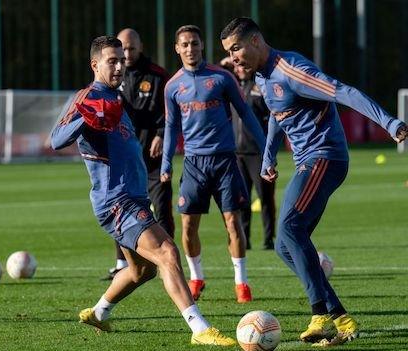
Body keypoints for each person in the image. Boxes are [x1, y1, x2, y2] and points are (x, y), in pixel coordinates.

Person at [220, 17, 408, 346]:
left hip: (326, 157)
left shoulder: (291, 69)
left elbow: (343, 92)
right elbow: (279, 116)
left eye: (236, 48)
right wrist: (269, 155)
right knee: (284, 245)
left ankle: (320, 313)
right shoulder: (263, 77)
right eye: (229, 52)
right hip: (306, 160)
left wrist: (389, 122)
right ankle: (341, 317)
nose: (233, 57)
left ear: (255, 41)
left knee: (290, 228)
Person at [50, 35, 236, 346]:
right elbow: (56, 139)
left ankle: (99, 312)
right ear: (95, 64)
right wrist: (86, 117)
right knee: (167, 253)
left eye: (121, 60)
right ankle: (199, 328)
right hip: (117, 202)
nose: (120, 66)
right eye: (112, 61)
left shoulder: (113, 98)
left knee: (142, 272)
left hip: (133, 198)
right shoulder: (88, 98)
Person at [161, 25, 266, 303]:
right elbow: (171, 127)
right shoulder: (172, 86)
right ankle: (196, 278)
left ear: (202, 45)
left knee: (233, 222)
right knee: (188, 227)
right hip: (194, 164)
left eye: (194, 43)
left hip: (225, 161)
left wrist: (266, 147)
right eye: (184, 44)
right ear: (177, 48)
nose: (190, 49)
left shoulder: (222, 78)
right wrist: (166, 163)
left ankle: (241, 283)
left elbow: (245, 112)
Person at [99, 28, 175, 280]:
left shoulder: (157, 76)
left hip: (153, 156)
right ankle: (122, 264)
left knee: (162, 206)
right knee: (118, 209)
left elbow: (171, 110)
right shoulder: (112, 79)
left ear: (140, 47)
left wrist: (162, 134)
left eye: (132, 48)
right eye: (123, 49)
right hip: (124, 159)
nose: (127, 54)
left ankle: (169, 261)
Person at [220, 56, 276, 250]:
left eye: (243, 65)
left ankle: (269, 239)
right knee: (242, 200)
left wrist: (269, 149)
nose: (240, 69)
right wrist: (222, 66)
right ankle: (246, 240)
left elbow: (272, 119)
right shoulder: (231, 87)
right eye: (236, 66)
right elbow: (213, 83)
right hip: (237, 154)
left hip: (258, 154)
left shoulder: (260, 86)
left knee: (265, 198)